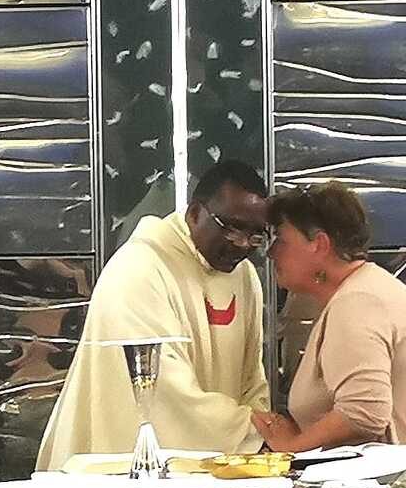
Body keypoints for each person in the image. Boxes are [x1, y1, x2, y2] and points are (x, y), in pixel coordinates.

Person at [37, 161, 271, 469]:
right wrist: (250, 431)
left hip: (218, 469)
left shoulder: (244, 278)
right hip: (125, 468)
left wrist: (260, 432)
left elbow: (252, 378)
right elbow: (161, 394)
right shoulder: (140, 268)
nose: (242, 245)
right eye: (231, 228)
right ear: (194, 213)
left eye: (255, 235)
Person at [252, 182, 406, 454]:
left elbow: (363, 412)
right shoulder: (361, 292)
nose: (271, 252)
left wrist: (291, 448)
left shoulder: (358, 301)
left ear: (319, 244)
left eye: (281, 240)